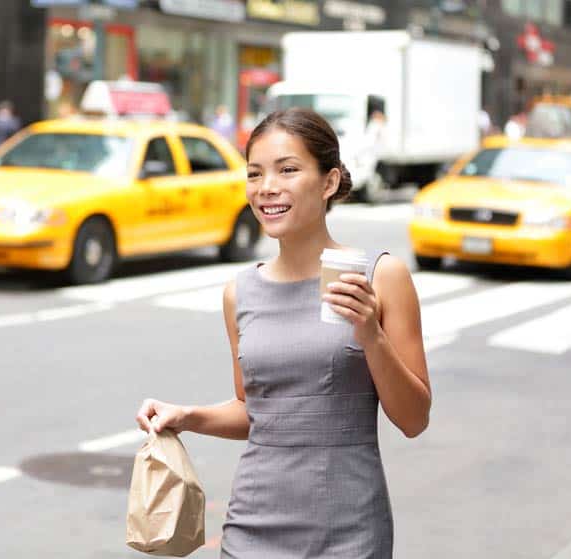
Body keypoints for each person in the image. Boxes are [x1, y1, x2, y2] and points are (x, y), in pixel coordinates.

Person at [136, 107, 432, 558]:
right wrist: (187, 416)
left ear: (329, 181)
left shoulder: (381, 276)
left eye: (288, 170)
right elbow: (255, 411)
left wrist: (370, 334)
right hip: (252, 526)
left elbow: (414, 419)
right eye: (255, 174)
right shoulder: (240, 292)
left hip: (348, 530)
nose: (267, 188)